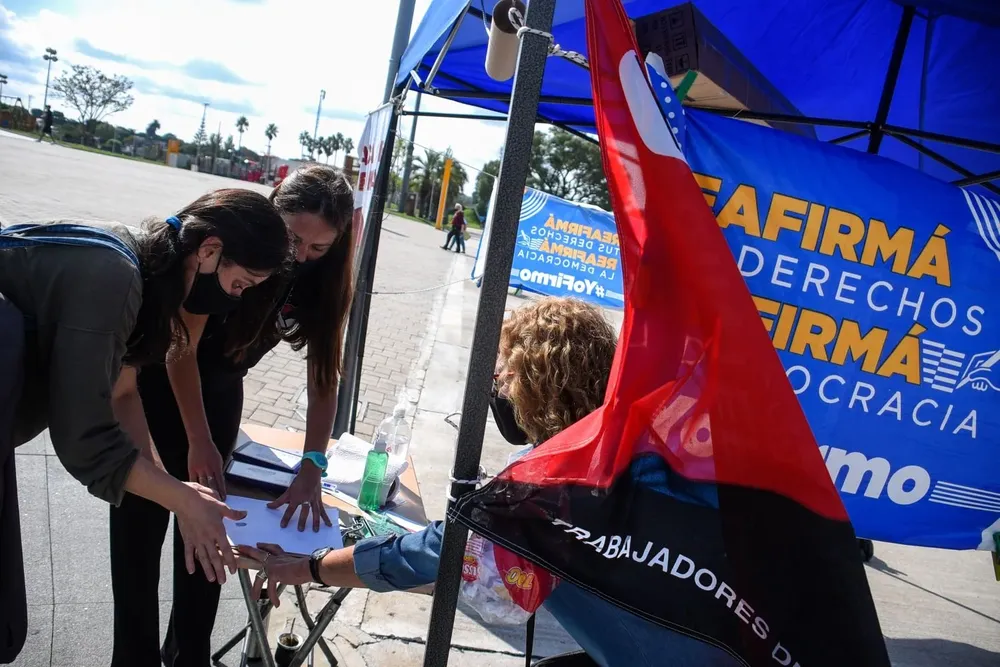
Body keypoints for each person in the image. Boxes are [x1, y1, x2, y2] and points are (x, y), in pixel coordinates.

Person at [236, 297, 740, 667]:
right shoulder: (640, 444)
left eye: (506, 378)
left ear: (538, 388)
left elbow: (429, 554)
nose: (498, 389)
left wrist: (309, 567)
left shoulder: (544, 485)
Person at [0, 190, 291, 663]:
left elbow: (122, 393)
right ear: (210, 250)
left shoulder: (144, 278)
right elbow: (84, 441)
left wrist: (173, 492)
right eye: (241, 284)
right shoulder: (115, 277)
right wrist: (181, 499)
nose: (236, 300)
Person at [110, 165, 355, 667]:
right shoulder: (244, 240)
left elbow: (324, 376)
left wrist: (312, 466)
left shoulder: (323, 282)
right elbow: (180, 349)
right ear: (275, 206)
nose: (299, 256)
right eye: (294, 238)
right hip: (162, 393)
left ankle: (188, 653)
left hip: (220, 402)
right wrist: (196, 441)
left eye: (318, 249)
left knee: (206, 550)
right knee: (139, 539)